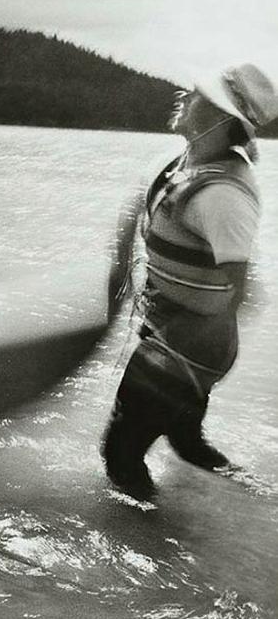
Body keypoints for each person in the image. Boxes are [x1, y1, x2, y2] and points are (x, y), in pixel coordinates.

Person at [101, 63, 278, 502]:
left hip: (190, 343)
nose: (185, 92)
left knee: (120, 457)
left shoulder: (225, 197)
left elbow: (242, 290)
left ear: (220, 119)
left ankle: (155, 549)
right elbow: (139, 213)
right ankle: (262, 497)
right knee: (186, 443)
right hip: (180, 334)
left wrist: (176, 352)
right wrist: (120, 277)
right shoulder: (186, 159)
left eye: (199, 93)